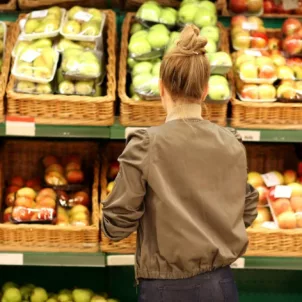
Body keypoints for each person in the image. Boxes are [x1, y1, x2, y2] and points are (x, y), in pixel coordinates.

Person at [102, 24, 259, 302]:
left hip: (165, 289)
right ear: (205, 91)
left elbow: (116, 225)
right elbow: (247, 211)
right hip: (221, 286)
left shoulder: (146, 145)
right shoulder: (232, 142)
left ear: (161, 87)